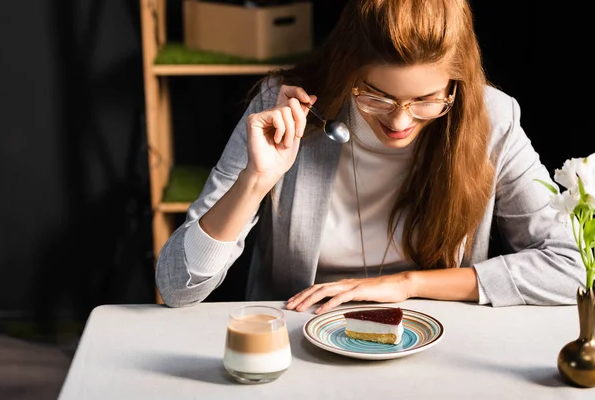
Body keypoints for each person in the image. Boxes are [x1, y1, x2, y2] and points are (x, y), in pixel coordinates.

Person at [155, 0, 584, 312]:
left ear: (455, 86)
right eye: (377, 96)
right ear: (350, 70)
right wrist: (254, 181)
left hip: (438, 340)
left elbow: (573, 267)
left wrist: (408, 285)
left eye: (426, 100)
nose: (400, 121)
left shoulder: (492, 118)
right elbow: (177, 287)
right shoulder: (283, 107)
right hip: (299, 337)